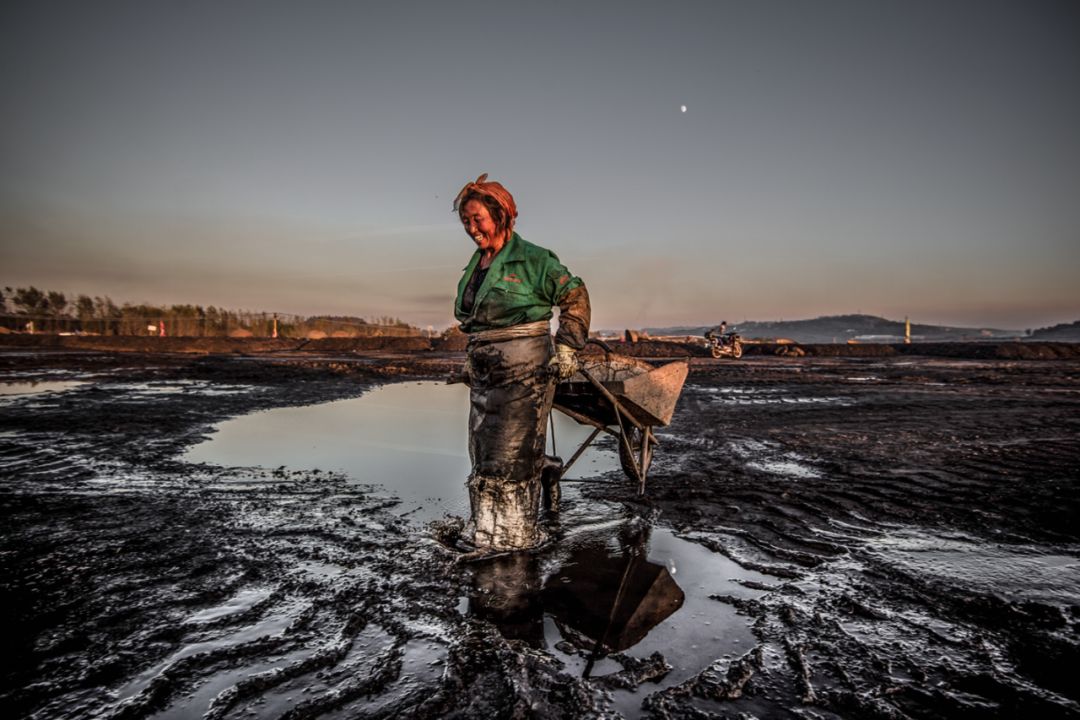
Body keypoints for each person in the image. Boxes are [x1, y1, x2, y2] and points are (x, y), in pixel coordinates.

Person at [452, 173, 590, 552]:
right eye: (465, 221)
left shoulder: (534, 259)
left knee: (512, 455)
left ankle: (513, 538)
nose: (471, 228)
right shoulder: (478, 263)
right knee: (484, 452)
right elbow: (475, 319)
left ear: (501, 215)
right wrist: (472, 359)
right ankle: (487, 530)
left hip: (524, 368)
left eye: (477, 218)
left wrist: (567, 347)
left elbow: (574, 295)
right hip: (486, 371)